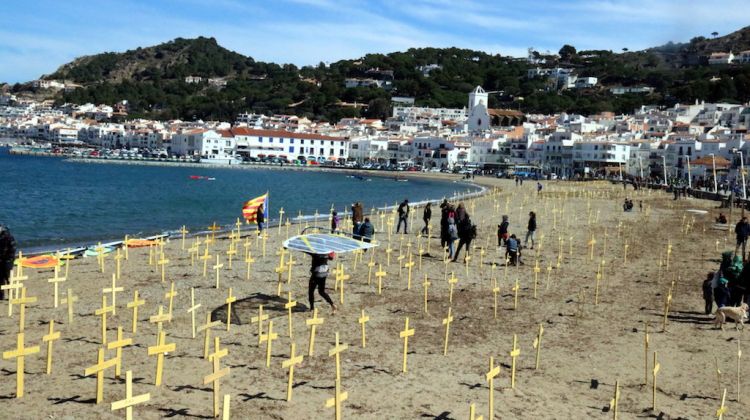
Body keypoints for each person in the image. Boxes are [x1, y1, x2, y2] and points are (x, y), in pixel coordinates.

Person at [0, 225, 17, 301]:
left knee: (8, 277)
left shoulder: (8, 237)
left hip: (7, 260)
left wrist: (9, 259)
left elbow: (13, 249)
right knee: (0, 278)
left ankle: (11, 295)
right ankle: (1, 296)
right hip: (0, 260)